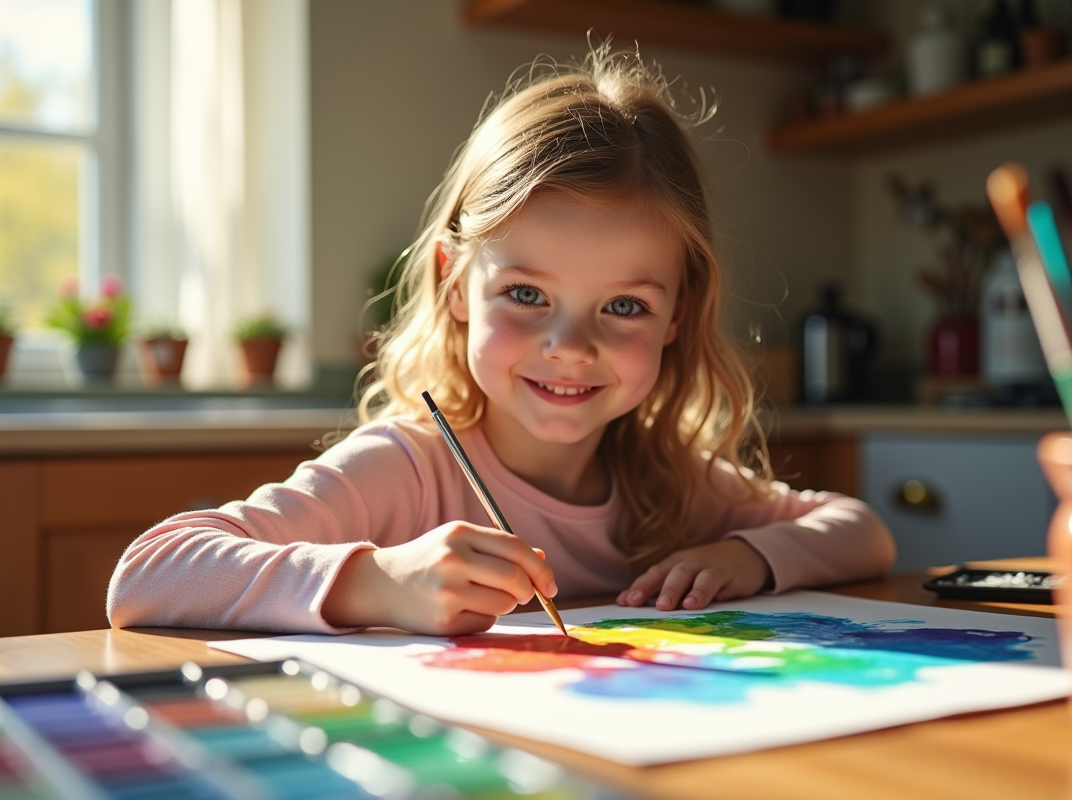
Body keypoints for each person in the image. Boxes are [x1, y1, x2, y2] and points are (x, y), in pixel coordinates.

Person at [107, 45, 894, 636]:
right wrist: (378, 583)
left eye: (624, 306)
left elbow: (863, 531)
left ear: (677, 316)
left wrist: (748, 557)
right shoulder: (406, 468)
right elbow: (145, 575)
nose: (571, 346)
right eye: (526, 295)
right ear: (454, 283)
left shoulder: (665, 476)